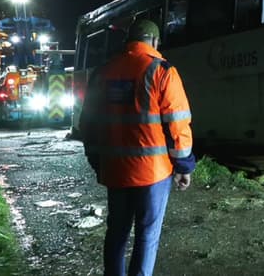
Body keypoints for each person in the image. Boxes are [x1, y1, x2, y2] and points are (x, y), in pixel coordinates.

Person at [79, 18, 196, 276]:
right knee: (147, 236)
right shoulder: (162, 71)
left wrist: (97, 160)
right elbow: (178, 125)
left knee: (117, 233)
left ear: (128, 41)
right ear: (154, 42)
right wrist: (184, 165)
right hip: (153, 174)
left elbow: (87, 124)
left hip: (115, 171)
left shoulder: (103, 72)